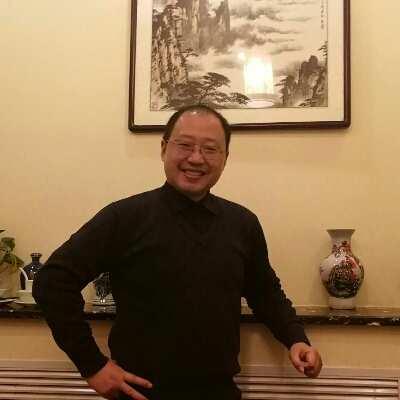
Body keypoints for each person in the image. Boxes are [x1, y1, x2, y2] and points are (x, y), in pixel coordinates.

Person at [33, 105, 322, 400]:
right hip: (141, 393)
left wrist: (295, 339)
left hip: (219, 392)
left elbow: (265, 292)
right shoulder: (125, 217)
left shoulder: (242, 223)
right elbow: (52, 281)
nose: (196, 158)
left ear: (225, 158)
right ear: (163, 149)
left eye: (210, 149)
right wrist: (92, 365)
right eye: (185, 145)